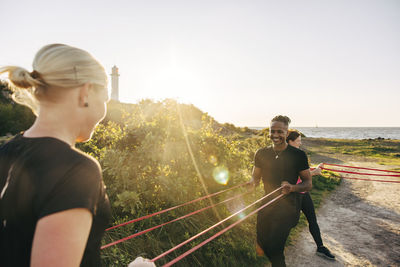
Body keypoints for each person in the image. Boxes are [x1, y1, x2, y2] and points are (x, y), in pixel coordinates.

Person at [0, 44, 155, 267]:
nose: (103, 111)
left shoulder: (5, 153)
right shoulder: (76, 171)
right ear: (85, 92)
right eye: (104, 100)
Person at [250, 115, 312, 267]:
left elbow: (308, 183)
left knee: (275, 249)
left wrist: (293, 187)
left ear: (286, 132)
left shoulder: (298, 155)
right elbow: (255, 179)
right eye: (272, 131)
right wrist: (251, 184)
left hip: (288, 208)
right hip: (266, 205)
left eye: (280, 131)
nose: (275, 135)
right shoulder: (261, 153)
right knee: (262, 244)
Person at [286, 130, 335, 260]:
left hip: (303, 193)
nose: (300, 143)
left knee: (312, 219)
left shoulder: (298, 155)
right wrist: (315, 172)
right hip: (293, 195)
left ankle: (320, 247)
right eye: (298, 141)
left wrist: (314, 169)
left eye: (301, 140)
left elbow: (303, 171)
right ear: (290, 142)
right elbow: (296, 175)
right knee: (291, 222)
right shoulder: (287, 156)